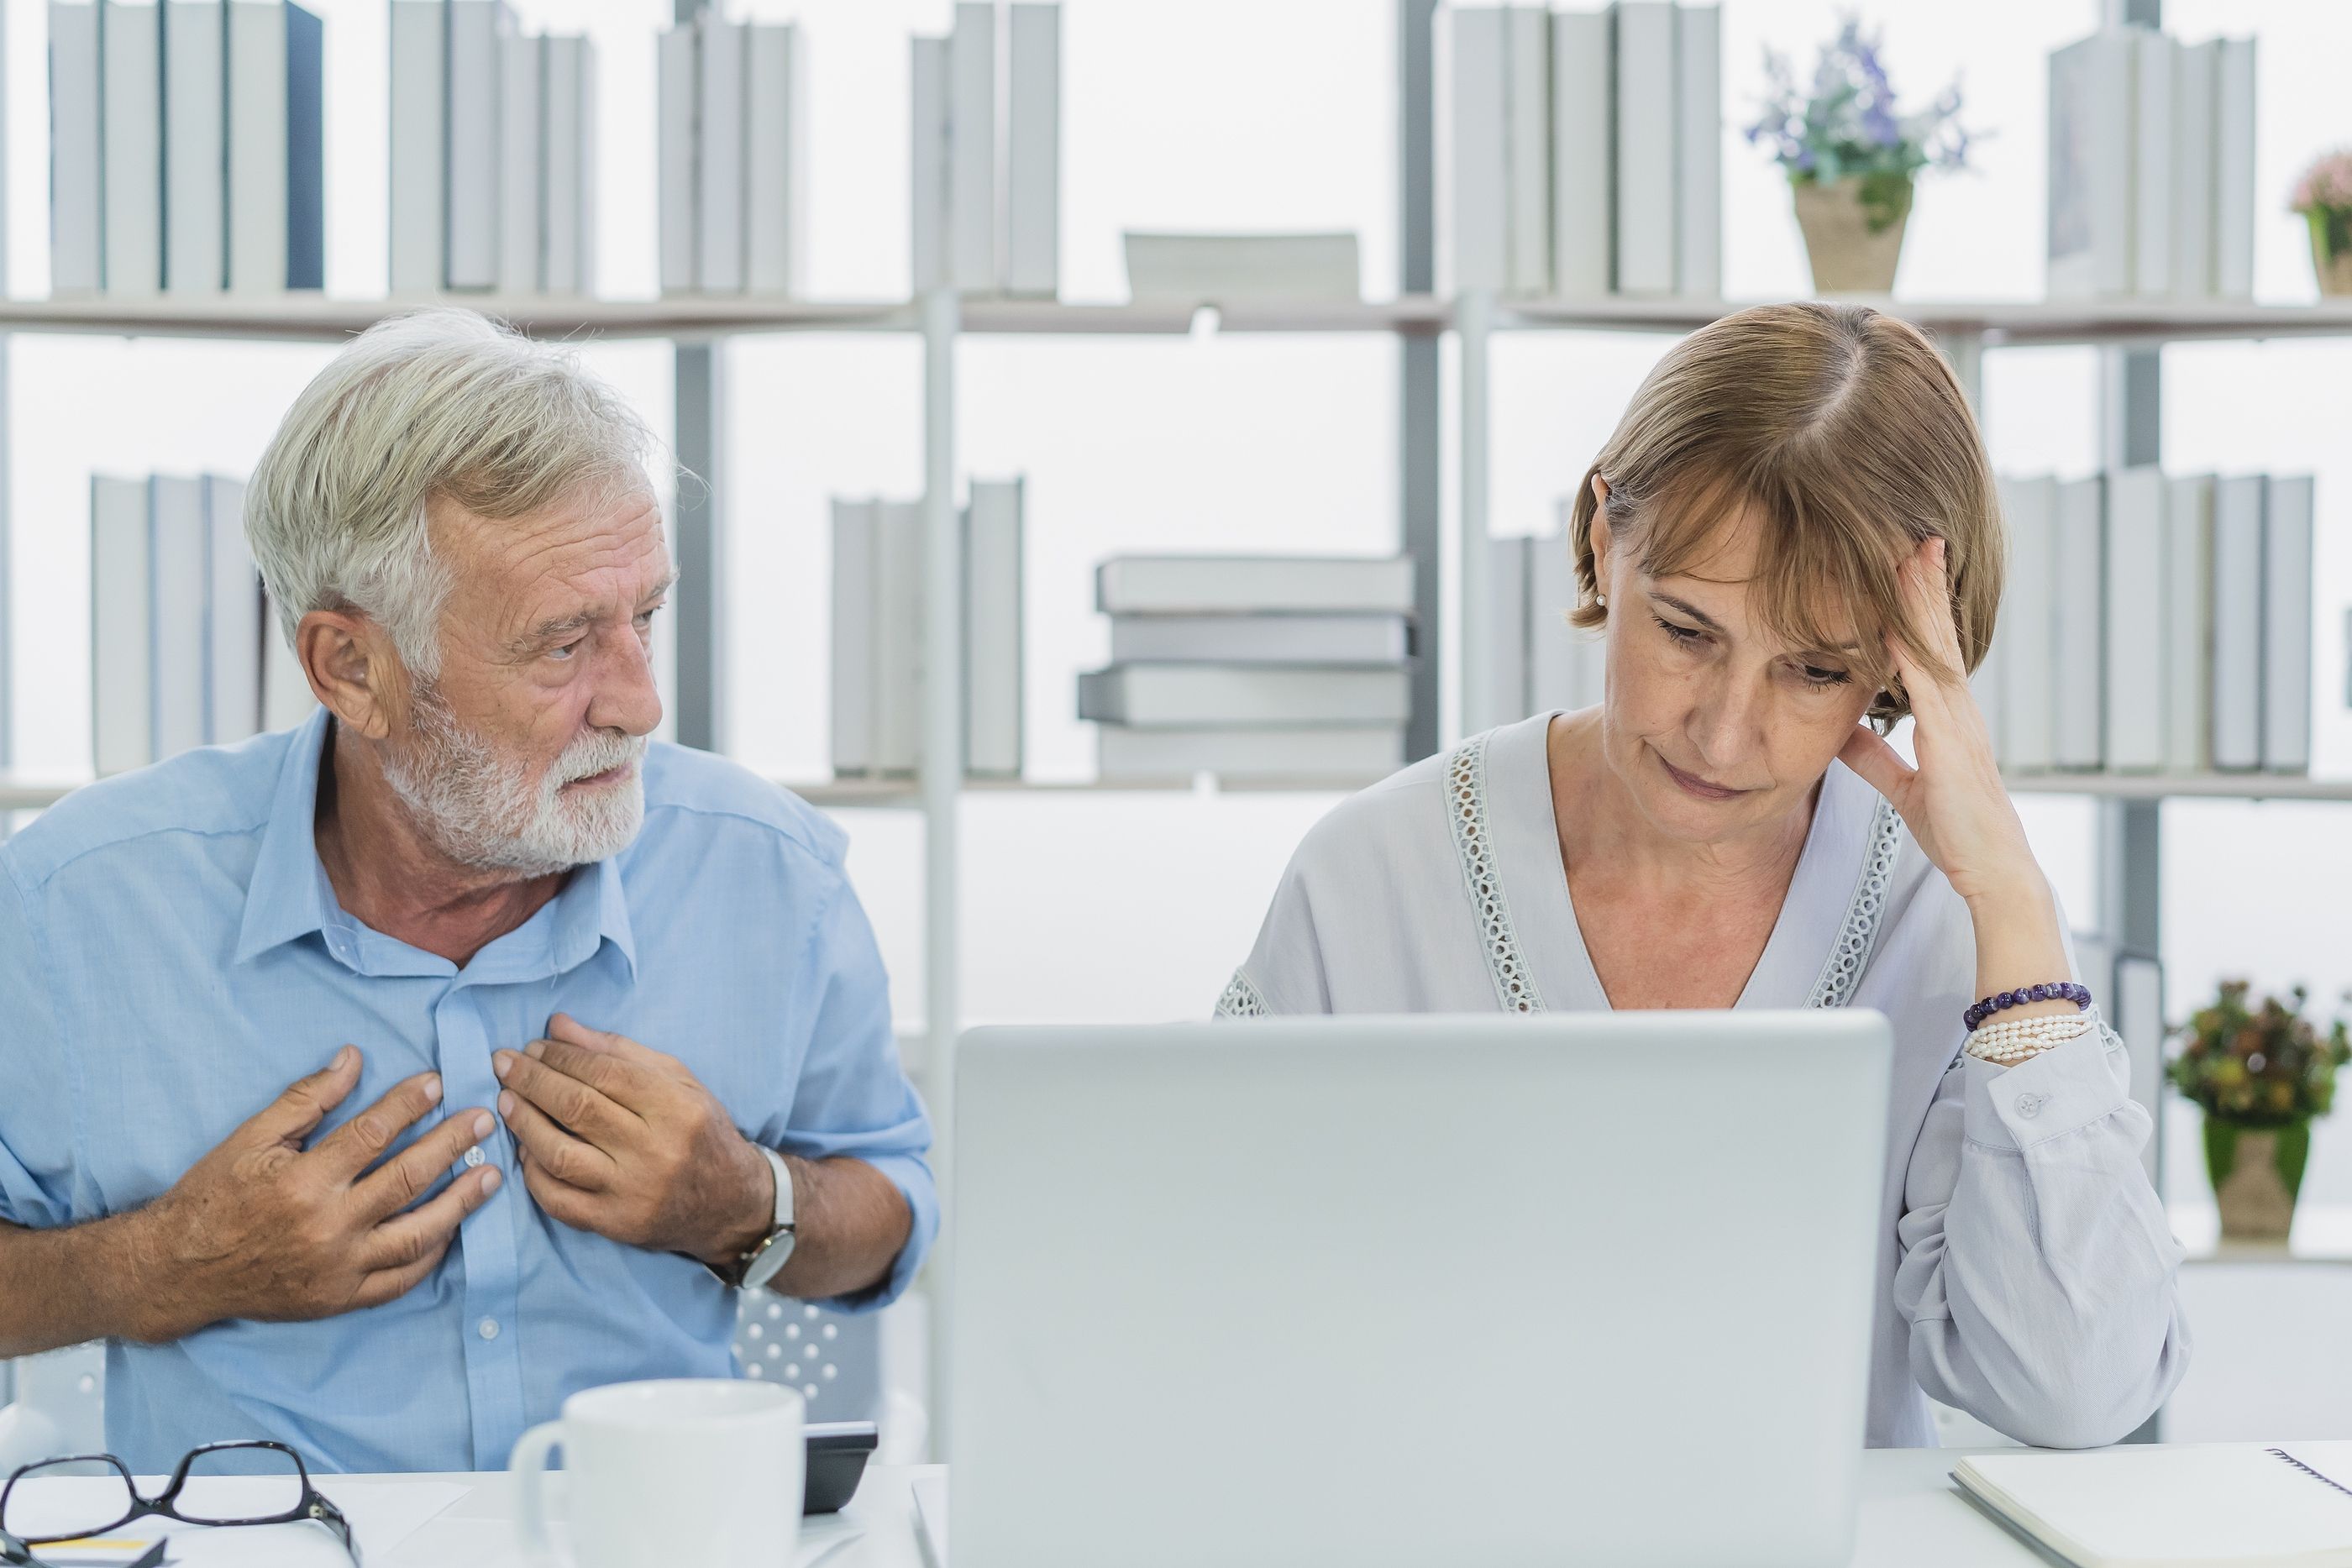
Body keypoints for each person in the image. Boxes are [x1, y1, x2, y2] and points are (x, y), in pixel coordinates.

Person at [1218, 302, 2188, 1450]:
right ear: (1599, 540)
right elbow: (1215, 1311)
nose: (1725, 738)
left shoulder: (1948, 922)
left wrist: (2015, 909)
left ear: (1899, 667)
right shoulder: (1373, 876)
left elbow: (2078, 1390)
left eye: (1815, 671)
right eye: (1686, 632)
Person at [0, 308, 935, 1474]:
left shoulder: (769, 875)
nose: (638, 701)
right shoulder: (77, 906)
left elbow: (895, 1211)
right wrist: (158, 1264)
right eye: (563, 645)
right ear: (352, 666)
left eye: (645, 617)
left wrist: (743, 1202)